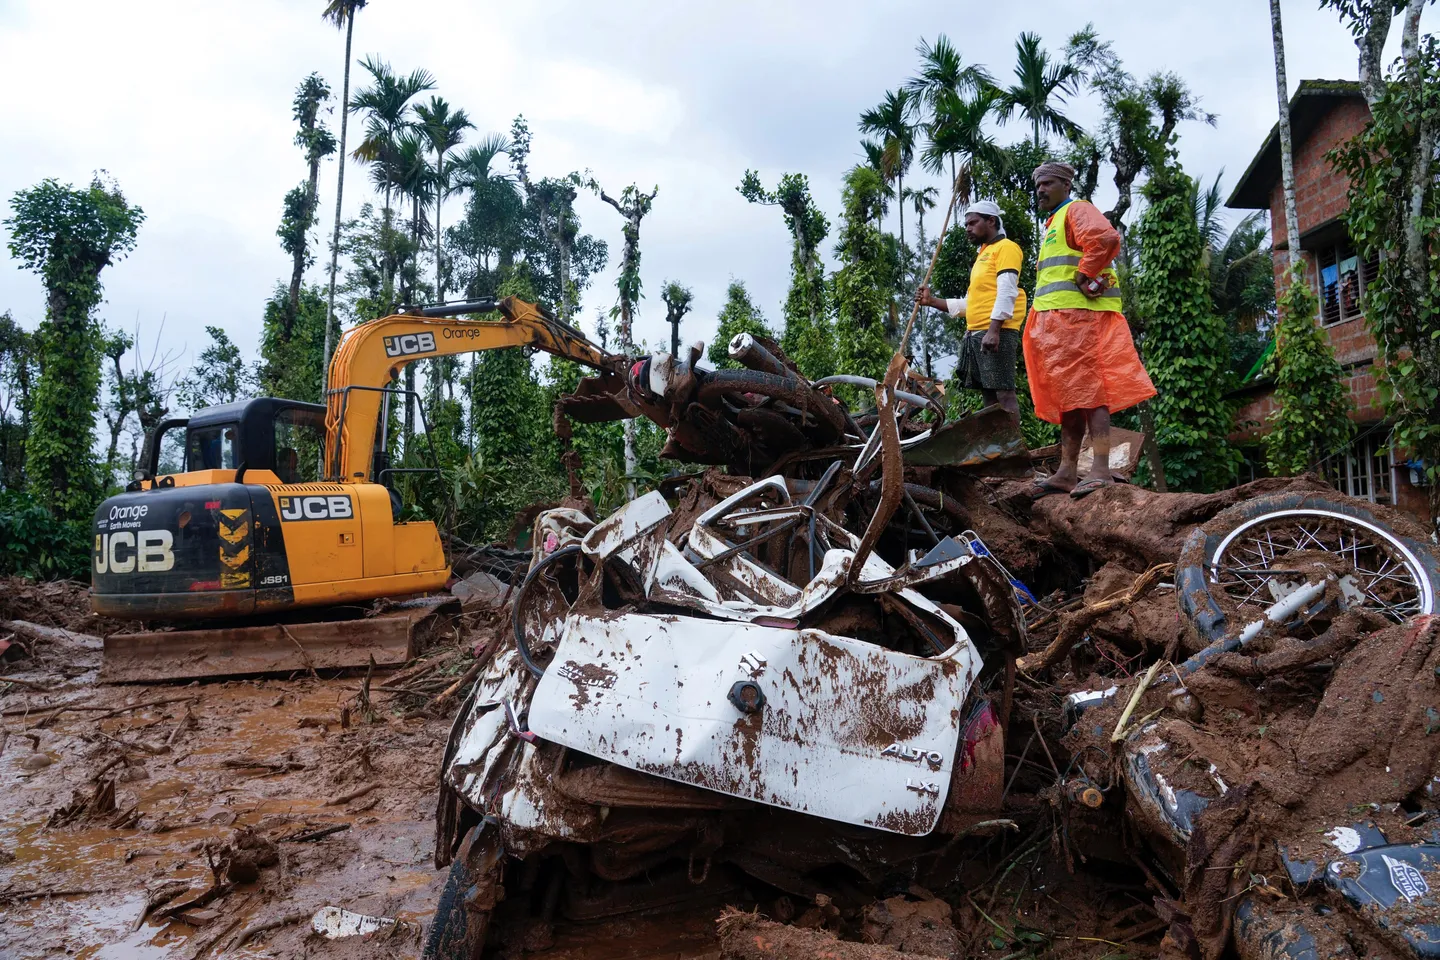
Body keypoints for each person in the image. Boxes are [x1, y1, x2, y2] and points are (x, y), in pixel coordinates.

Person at [1025, 161, 1155, 499]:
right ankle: (1067, 471)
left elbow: (1105, 238)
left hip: (1079, 321)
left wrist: (1084, 274)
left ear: (1066, 186)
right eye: (1038, 184)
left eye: (1048, 183)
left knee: (1090, 394)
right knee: (1071, 398)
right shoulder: (1053, 222)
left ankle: (1099, 468)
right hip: (1060, 323)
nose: (1040, 189)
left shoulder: (1077, 209)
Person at [915, 200, 1026, 418]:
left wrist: (994, 331)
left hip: (997, 331)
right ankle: (996, 446)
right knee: (989, 396)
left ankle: (1013, 448)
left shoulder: (1006, 248)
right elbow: (970, 304)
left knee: (1004, 393)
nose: (967, 228)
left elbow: (1007, 290)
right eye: (966, 224)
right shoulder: (983, 255)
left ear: (991, 221)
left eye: (973, 223)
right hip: (979, 332)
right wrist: (931, 301)